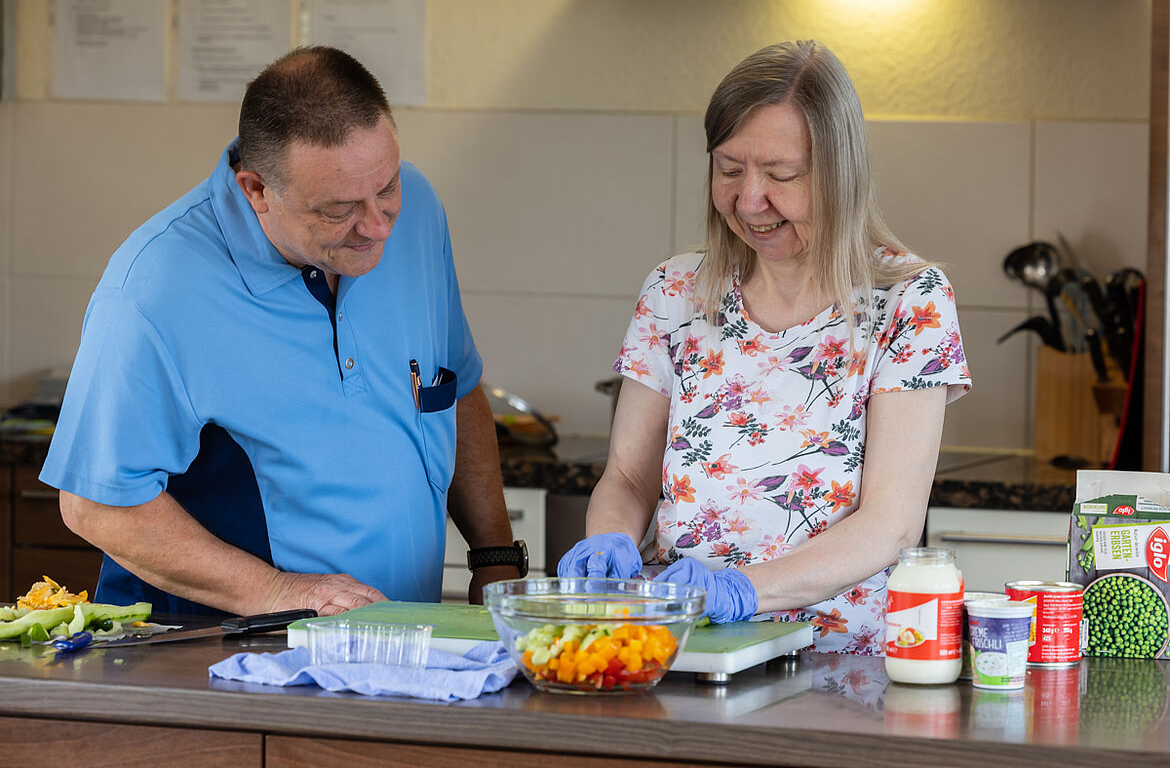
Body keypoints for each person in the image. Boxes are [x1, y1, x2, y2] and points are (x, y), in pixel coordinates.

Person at [39, 46, 524, 618]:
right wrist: (280, 593)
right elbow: (96, 503)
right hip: (222, 656)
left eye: (387, 188)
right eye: (339, 209)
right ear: (256, 190)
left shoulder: (414, 212)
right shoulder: (154, 287)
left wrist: (494, 555)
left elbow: (454, 385)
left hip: (395, 641)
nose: (376, 227)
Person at [558, 40, 971, 654]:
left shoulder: (909, 302)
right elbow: (627, 475)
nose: (750, 201)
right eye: (729, 170)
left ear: (840, 175)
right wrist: (611, 537)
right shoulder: (676, 291)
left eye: (780, 176)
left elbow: (892, 524)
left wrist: (741, 590)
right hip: (676, 646)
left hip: (836, 667)